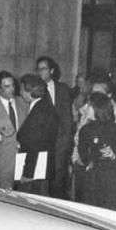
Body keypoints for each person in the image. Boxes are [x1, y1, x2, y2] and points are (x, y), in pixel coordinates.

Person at [78, 93, 116, 213]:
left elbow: (83, 156)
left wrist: (113, 155)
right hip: (114, 179)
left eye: (89, 105)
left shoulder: (88, 130)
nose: (85, 108)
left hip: (103, 179)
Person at [37, 56, 73, 199]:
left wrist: (64, 144)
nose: (41, 72)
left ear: (51, 70)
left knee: (58, 183)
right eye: (39, 69)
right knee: (41, 185)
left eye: (44, 69)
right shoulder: (34, 88)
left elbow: (67, 119)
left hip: (59, 145)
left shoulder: (62, 89)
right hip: (40, 145)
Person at [16, 74, 58, 195]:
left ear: (29, 92)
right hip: (41, 166)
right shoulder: (43, 107)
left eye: (22, 89)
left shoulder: (39, 111)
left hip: (35, 169)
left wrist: (28, 173)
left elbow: (34, 145)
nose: (20, 92)